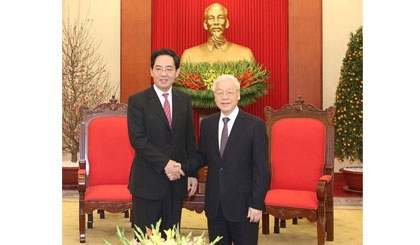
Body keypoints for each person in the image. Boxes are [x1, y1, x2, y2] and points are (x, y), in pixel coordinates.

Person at [183, 75, 269, 244]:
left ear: (238, 95)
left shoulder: (255, 125)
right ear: (214, 97)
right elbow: (202, 156)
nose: (224, 97)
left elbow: (261, 168)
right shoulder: (208, 124)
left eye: (229, 92)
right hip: (215, 205)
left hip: (244, 205)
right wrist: (183, 167)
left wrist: (257, 203)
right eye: (220, 93)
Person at [127, 48, 198, 237]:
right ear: (151, 71)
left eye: (169, 69)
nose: (163, 74)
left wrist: (191, 173)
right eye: (158, 69)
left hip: (176, 182)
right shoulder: (138, 101)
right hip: (147, 181)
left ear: (177, 72)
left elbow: (189, 139)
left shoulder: (185, 100)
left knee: (171, 236)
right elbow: (138, 140)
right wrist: (165, 164)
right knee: (145, 237)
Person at [180, 3, 255, 64]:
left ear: (227, 23)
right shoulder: (189, 56)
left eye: (220, 18)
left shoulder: (245, 55)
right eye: (211, 18)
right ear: (205, 24)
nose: (216, 22)